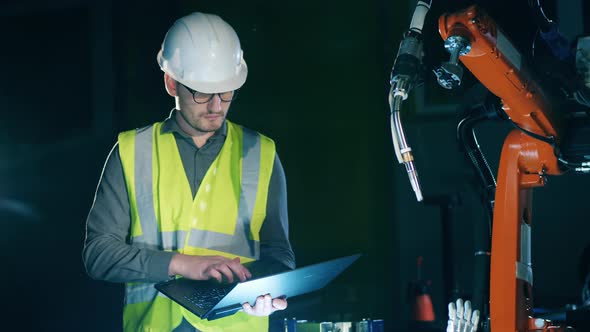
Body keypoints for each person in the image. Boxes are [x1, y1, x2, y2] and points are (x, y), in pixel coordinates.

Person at [82, 11, 295, 332]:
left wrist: (269, 290)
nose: (216, 105)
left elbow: (278, 253)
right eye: (201, 92)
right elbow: (98, 256)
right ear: (171, 83)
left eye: (226, 92)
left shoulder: (262, 152)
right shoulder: (131, 150)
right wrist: (180, 264)